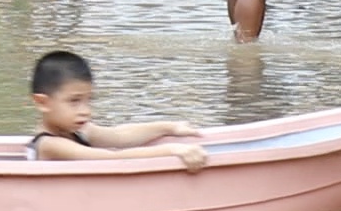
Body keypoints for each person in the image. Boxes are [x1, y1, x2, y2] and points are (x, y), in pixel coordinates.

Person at [26, 51, 206, 171]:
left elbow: (120, 136)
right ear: (43, 103)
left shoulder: (80, 131)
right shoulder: (50, 144)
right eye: (74, 101)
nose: (86, 111)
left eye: (89, 100)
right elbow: (112, 157)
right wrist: (170, 150)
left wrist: (169, 128)